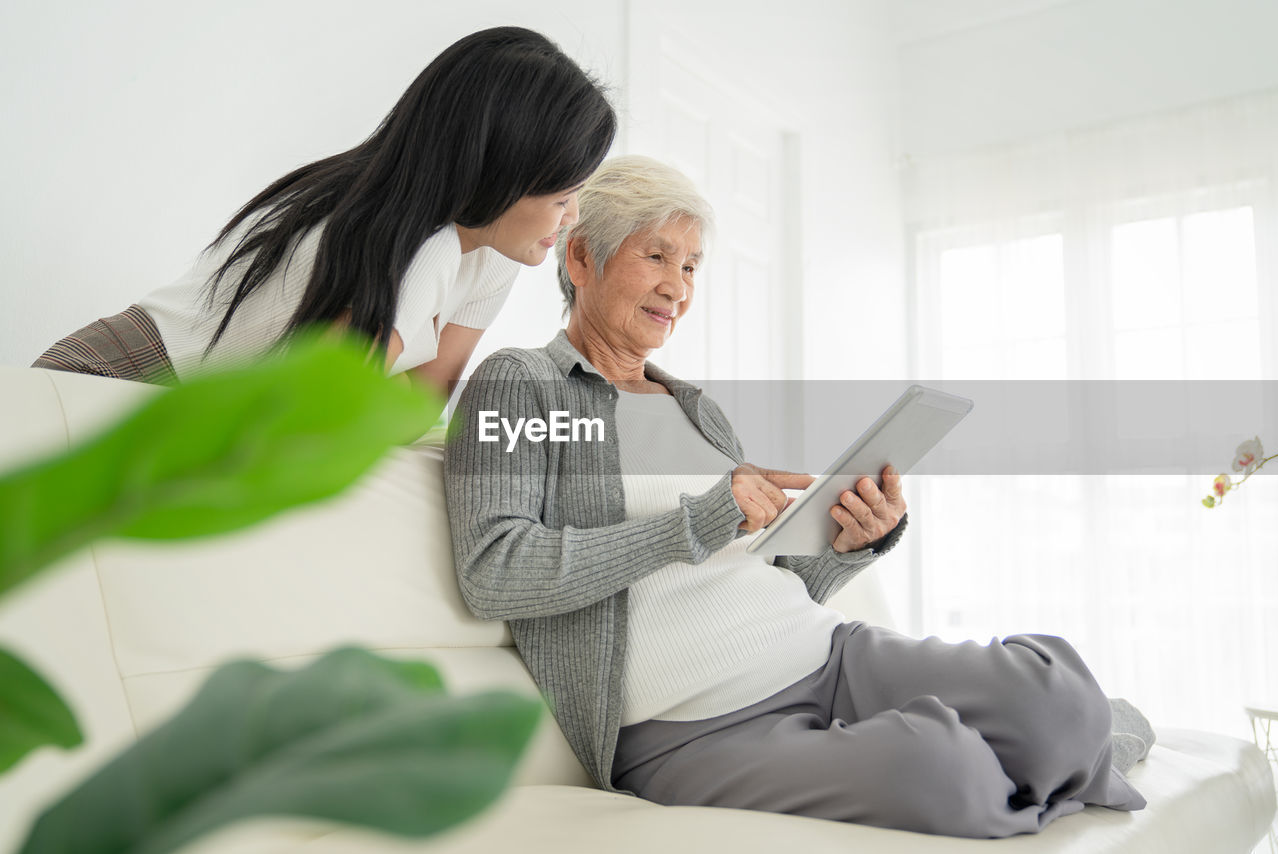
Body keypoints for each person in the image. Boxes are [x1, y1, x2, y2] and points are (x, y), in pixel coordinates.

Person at [443, 155, 1152, 838]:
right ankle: (1060, 763)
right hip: (691, 727)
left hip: (827, 653)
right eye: (657, 257)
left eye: (690, 267)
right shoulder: (522, 382)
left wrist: (852, 542)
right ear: (579, 260)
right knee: (945, 774)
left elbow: (775, 580)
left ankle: (1062, 739)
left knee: (1054, 696)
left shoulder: (696, 410)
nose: (678, 287)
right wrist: (702, 518)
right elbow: (495, 569)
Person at [33, 27, 616, 392]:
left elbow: (423, 396)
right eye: (562, 199)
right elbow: (323, 412)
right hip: (120, 378)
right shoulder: (418, 246)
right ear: (498, 175)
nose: (570, 220)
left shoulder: (495, 251)